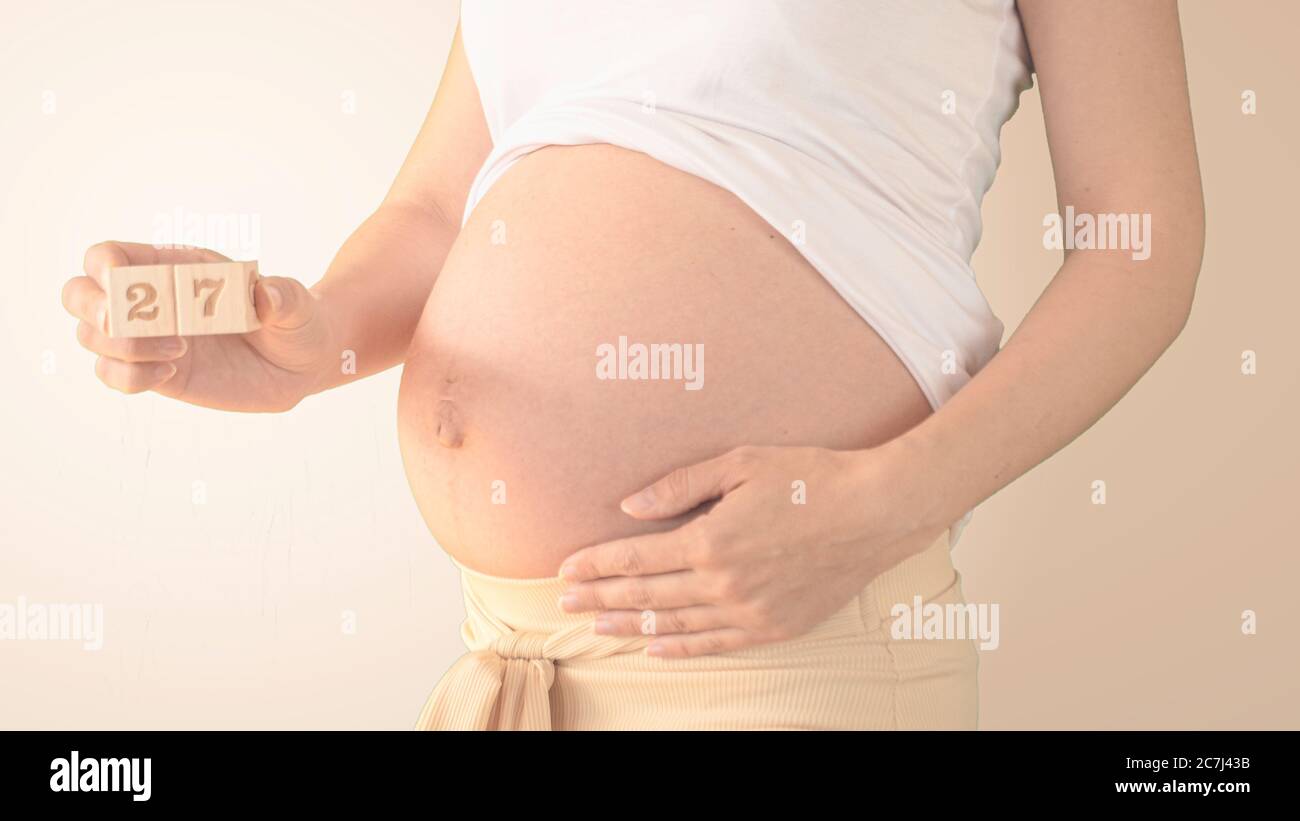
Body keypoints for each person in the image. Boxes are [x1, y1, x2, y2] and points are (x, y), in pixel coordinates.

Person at [61, 0, 1204, 730]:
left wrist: (884, 505)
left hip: (776, 661)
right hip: (509, 657)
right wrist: (302, 343)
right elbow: (428, 213)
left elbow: (1140, 244)